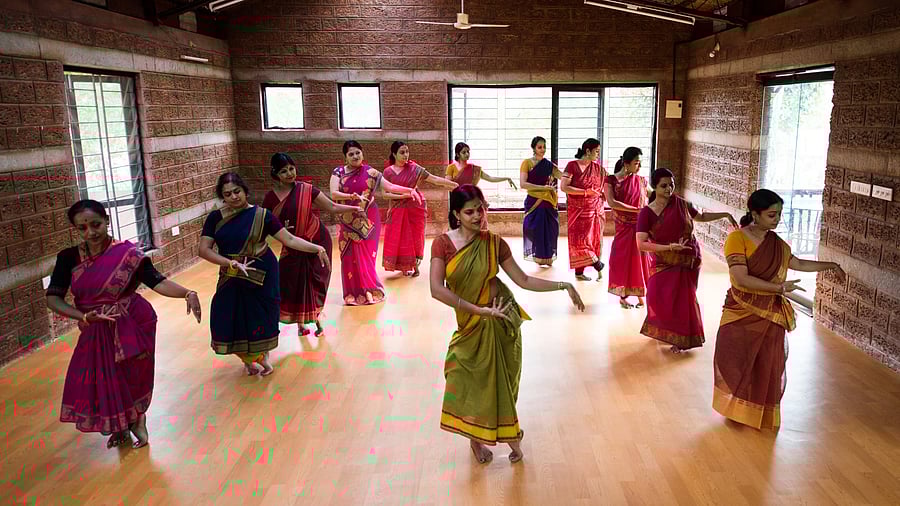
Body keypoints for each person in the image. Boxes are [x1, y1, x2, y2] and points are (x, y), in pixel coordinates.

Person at [430, 184, 585, 464]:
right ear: (456, 214)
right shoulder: (442, 244)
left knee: (500, 383)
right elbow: (436, 290)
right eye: (470, 212)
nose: (478, 216)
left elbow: (523, 280)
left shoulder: (493, 242)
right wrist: (478, 310)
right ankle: (477, 440)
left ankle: (506, 436)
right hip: (472, 322)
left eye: (481, 209)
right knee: (466, 377)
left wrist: (564, 285)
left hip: (502, 320)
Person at [46, 199, 202, 450]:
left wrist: (187, 293)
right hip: (94, 326)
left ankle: (138, 418)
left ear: (107, 220)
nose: (90, 233)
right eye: (82, 228)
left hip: (131, 321)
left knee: (132, 373)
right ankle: (119, 425)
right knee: (103, 377)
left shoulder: (129, 255)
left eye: (95, 224)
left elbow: (157, 282)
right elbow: (53, 297)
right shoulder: (68, 258)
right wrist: (82, 317)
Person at [713, 189, 845, 430]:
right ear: (755, 214)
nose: (777, 220)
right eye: (772, 215)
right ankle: (737, 406)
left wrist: (831, 265)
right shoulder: (737, 239)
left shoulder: (777, 244)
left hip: (771, 313)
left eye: (779, 215)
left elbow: (799, 263)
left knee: (769, 362)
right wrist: (778, 287)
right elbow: (740, 279)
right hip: (740, 307)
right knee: (733, 355)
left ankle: (757, 413)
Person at [199, 172, 330, 376]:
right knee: (227, 317)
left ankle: (261, 357)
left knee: (260, 317)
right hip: (231, 273)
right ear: (222, 197)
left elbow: (290, 240)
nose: (234, 197)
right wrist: (229, 262)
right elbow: (204, 249)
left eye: (237, 191)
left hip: (262, 272)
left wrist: (317, 248)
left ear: (245, 191)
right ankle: (250, 357)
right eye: (227, 194)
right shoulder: (215, 218)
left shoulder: (262, 216)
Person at [636, 169, 738, 353]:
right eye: (664, 186)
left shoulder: (681, 204)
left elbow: (700, 217)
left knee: (683, 299)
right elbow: (641, 244)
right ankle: (667, 330)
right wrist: (669, 248)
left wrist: (724, 214)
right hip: (664, 259)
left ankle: (681, 338)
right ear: (655, 187)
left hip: (688, 258)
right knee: (658, 296)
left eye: (671, 184)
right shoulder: (647, 213)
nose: (669, 189)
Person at [262, 153, 362, 337]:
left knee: (314, 280)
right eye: (284, 171)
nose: (290, 174)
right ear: (275, 174)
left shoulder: (306, 189)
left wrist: (354, 208)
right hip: (292, 245)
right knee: (292, 283)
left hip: (317, 239)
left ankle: (316, 318)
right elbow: (265, 225)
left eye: (291, 168)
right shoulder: (270, 199)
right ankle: (300, 323)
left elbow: (331, 207)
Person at [329, 140, 423, 305]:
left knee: (367, 257)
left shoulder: (371, 173)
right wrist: (351, 197)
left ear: (362, 153)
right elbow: (334, 194)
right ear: (345, 157)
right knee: (349, 257)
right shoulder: (338, 172)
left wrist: (409, 190)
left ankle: (369, 290)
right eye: (351, 154)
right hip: (348, 220)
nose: (355, 156)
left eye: (357, 152)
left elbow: (391, 187)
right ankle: (352, 293)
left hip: (369, 220)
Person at [382, 141, 458, 277]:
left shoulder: (414, 168)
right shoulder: (388, 172)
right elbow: (385, 194)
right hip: (397, 209)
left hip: (416, 207)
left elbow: (434, 179)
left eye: (407, 152)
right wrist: (405, 195)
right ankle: (405, 266)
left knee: (415, 237)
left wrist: (454, 185)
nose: (406, 155)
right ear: (394, 154)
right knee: (400, 238)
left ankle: (415, 266)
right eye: (402, 152)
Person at [606, 147, 651, 308]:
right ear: (626, 164)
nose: (639, 167)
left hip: (640, 226)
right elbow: (612, 202)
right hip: (624, 226)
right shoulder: (611, 180)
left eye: (640, 163)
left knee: (641, 259)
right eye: (636, 163)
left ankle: (640, 294)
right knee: (623, 259)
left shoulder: (641, 181)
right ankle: (623, 294)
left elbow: (652, 196)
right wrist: (635, 210)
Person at [560, 138, 608, 281]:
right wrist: (586, 192)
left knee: (594, 240)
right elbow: (564, 187)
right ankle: (597, 264)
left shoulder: (598, 169)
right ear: (587, 151)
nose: (598, 154)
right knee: (578, 242)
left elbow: (605, 186)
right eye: (596, 151)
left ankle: (580, 273)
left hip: (595, 211)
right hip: (578, 212)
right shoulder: (572, 166)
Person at [519, 136, 563, 267]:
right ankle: (538, 256)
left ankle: (548, 256)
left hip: (548, 201)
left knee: (551, 229)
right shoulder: (526, 163)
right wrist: (543, 188)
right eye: (539, 147)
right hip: (534, 201)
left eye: (544, 147)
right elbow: (523, 184)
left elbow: (563, 176)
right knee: (534, 228)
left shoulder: (548, 165)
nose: (542, 150)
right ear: (533, 148)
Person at [445, 142, 518, 189]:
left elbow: (490, 178)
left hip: (471, 199)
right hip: (457, 200)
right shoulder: (451, 167)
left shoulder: (475, 169)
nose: (467, 154)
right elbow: (447, 184)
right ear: (458, 154)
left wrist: (506, 178)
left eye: (468, 151)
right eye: (464, 152)